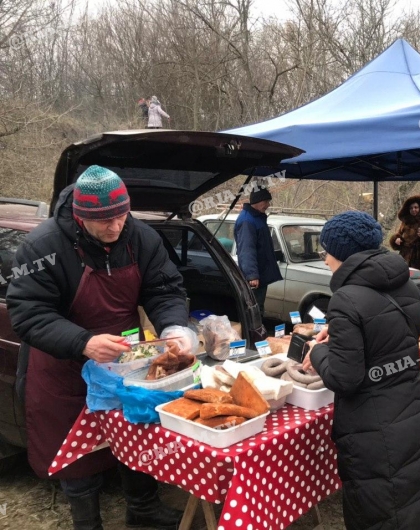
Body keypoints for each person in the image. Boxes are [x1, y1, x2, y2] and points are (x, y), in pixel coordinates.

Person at [6, 165, 192, 530]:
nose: (116, 227)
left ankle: (143, 509)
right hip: (65, 364)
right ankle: (87, 522)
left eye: (122, 216)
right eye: (104, 221)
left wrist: (173, 325)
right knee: (77, 455)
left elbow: (165, 288)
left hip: (128, 362)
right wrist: (83, 342)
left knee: (135, 434)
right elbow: (28, 313)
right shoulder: (42, 247)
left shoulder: (140, 237)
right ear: (79, 216)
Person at [301, 210, 420, 529]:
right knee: (408, 504)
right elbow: (394, 336)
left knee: (378, 513)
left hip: (373, 429)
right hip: (412, 409)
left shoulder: (346, 299)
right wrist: (340, 333)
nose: (324, 261)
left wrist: (319, 350)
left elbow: (345, 378)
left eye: (326, 252)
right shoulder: (404, 281)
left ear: (343, 254)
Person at [234, 187, 282, 315]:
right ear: (257, 201)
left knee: (258, 307)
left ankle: (258, 332)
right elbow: (246, 249)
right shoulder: (247, 221)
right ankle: (253, 334)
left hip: (261, 274)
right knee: (254, 310)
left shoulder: (257, 218)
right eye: (265, 201)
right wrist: (252, 275)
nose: (268, 205)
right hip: (255, 278)